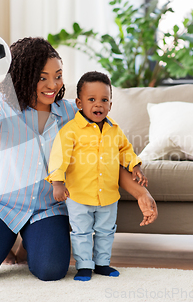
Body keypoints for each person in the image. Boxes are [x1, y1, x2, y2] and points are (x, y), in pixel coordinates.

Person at [0, 37, 157, 282]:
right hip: (2, 205)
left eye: (58, 75)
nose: (52, 84)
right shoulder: (1, 106)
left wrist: (141, 193)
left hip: (48, 208)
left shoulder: (73, 113)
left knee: (51, 271)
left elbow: (105, 156)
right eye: (42, 77)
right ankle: (3, 237)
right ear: (24, 76)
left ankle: (29, 242)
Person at [46, 71, 158, 281]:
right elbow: (59, 157)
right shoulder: (70, 131)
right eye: (92, 100)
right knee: (82, 232)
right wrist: (58, 183)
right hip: (79, 194)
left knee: (106, 231)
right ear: (79, 103)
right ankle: (84, 266)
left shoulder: (114, 130)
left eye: (104, 100)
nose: (98, 105)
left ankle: (102, 263)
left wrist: (135, 166)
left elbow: (125, 150)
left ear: (110, 104)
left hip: (108, 194)